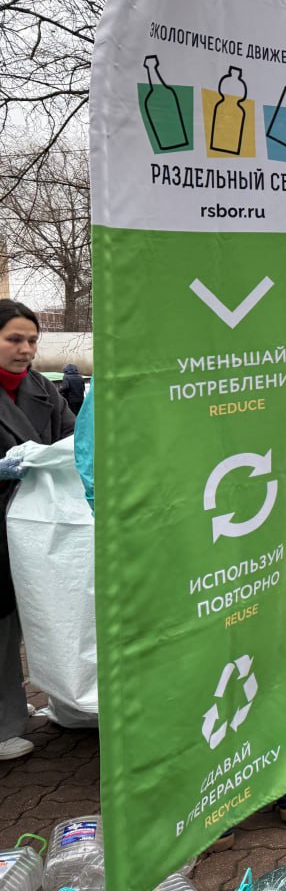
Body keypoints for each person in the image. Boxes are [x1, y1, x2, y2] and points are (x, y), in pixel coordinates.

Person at [0, 300, 76, 760]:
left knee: (23, 617)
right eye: (14, 339)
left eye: (32, 340)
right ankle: (3, 724)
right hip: (5, 519)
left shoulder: (41, 389)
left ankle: (11, 704)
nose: (26, 349)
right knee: (0, 625)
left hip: (34, 524)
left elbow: (71, 439)